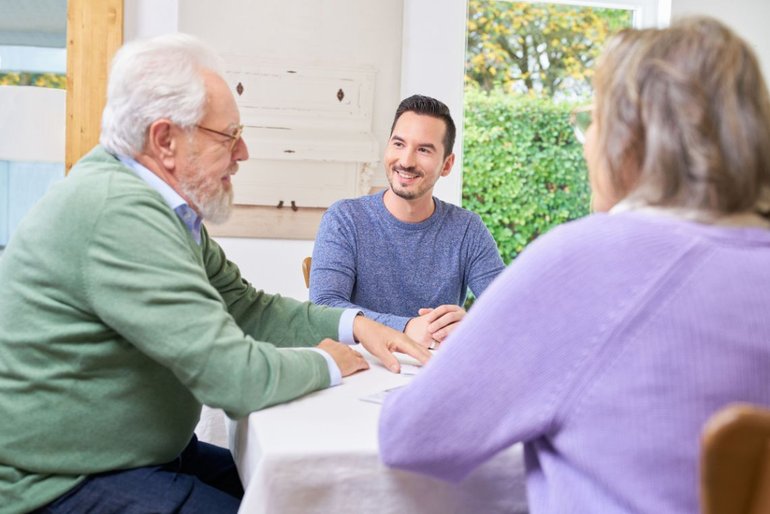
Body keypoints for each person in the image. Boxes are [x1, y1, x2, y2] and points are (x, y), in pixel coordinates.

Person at [0, 34, 429, 514]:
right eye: (229, 135)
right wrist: (329, 361)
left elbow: (246, 306)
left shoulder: (163, 210)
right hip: (60, 482)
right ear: (165, 140)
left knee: (312, 495)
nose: (242, 152)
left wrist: (353, 325)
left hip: (137, 454)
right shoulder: (117, 214)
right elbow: (233, 378)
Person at [379, 17, 770, 513]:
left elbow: (411, 435)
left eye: (593, 121)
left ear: (627, 142)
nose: (587, 143)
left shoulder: (586, 261)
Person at [310, 95, 505, 348]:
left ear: (447, 165)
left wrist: (472, 325)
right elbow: (324, 308)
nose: (406, 161)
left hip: (432, 374)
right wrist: (407, 328)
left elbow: (509, 309)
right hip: (360, 370)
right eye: (399, 144)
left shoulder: (467, 230)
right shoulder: (344, 219)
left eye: (423, 150)